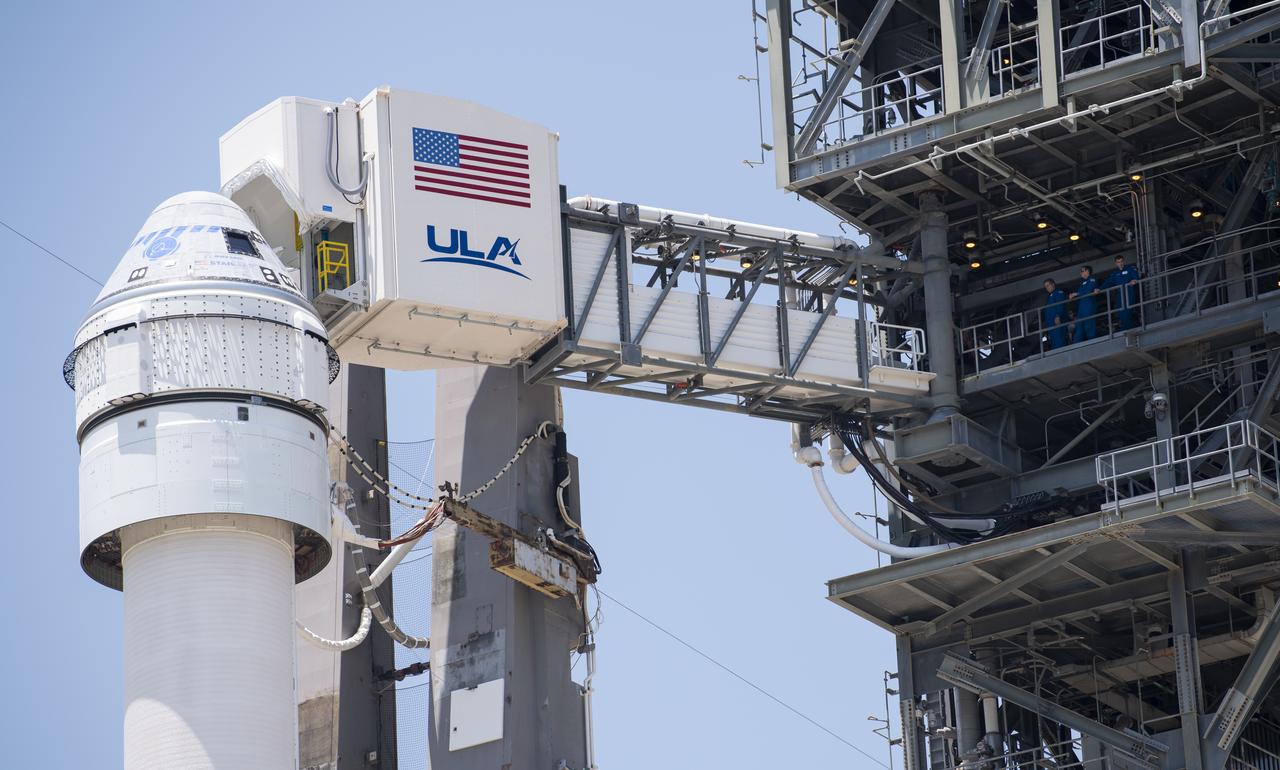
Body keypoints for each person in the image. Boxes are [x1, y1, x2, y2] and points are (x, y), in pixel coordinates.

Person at [1103, 255, 1141, 330]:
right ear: (1115, 263)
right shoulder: (1114, 273)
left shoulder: (1130, 268)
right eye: (1118, 262)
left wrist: (1134, 280)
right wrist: (1098, 289)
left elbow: (1135, 276)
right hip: (1120, 296)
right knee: (1121, 314)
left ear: (1124, 261)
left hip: (1129, 294)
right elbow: (1107, 283)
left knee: (1127, 314)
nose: (1120, 263)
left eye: (1121, 261)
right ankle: (1126, 329)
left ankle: (1127, 330)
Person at [1069, 265, 1099, 342]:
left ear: (1087, 271)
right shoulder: (1082, 283)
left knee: (1089, 327)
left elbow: (1089, 291)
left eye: (1082, 271)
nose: (1081, 273)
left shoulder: (1092, 280)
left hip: (1088, 307)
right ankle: (1076, 345)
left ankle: (1093, 343)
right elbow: (1079, 295)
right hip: (1081, 309)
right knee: (1079, 327)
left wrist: (1076, 294)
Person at [1042, 278, 1068, 350]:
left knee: (1059, 340)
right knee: (1054, 342)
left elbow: (1060, 305)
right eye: (1046, 287)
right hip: (1051, 324)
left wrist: (1058, 316)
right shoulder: (1051, 296)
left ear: (1053, 284)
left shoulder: (1058, 293)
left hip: (1057, 322)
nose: (1047, 288)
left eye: (1048, 285)